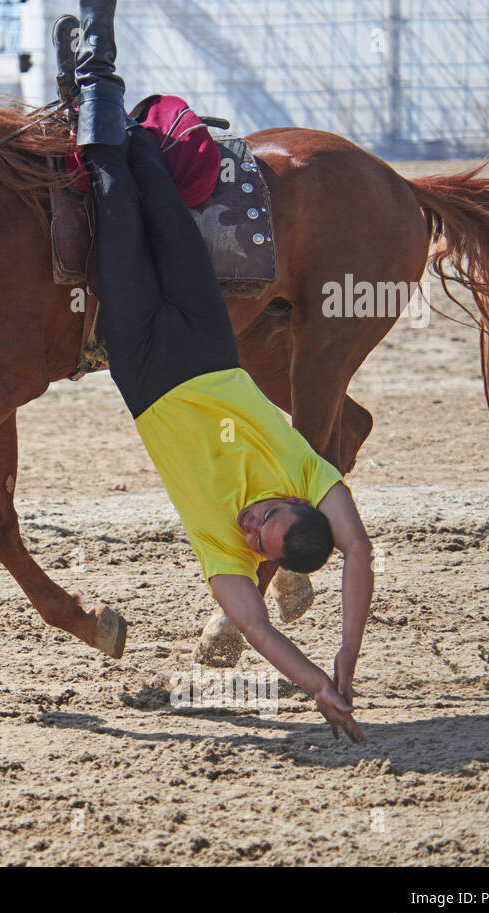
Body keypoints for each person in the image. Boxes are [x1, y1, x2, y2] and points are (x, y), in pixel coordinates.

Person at [72, 0, 372, 742]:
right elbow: (360, 552)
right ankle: (104, 93)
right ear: (298, 503)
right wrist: (347, 652)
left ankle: (91, 64)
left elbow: (263, 634)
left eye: (258, 538)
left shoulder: (225, 550)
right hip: (210, 344)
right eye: (267, 518)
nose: (252, 523)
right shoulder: (309, 477)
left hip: (145, 368)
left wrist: (318, 688)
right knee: (156, 180)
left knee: (111, 181)